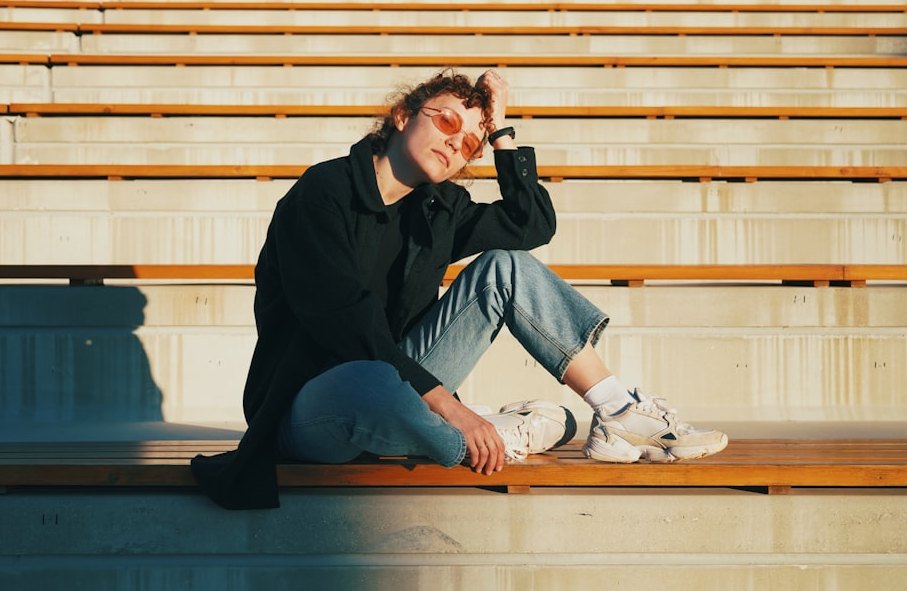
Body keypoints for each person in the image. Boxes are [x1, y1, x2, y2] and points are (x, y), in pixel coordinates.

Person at [191, 69, 728, 510]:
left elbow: (531, 225)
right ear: (403, 116)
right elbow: (346, 323)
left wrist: (502, 134)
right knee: (371, 385)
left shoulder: (437, 207)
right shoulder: (322, 194)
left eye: (469, 140)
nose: (456, 141)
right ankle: (497, 434)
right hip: (309, 405)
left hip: (407, 382)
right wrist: (455, 409)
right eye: (446, 119)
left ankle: (617, 412)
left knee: (504, 265)